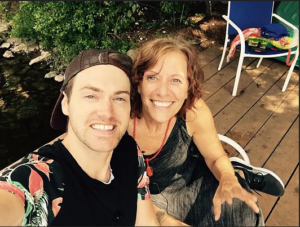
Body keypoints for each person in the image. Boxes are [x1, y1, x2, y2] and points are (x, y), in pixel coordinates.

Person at [127, 36, 284, 226]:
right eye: (153, 77)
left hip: (190, 182)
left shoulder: (193, 111)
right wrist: (163, 219)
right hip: (138, 198)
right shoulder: (119, 121)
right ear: (139, 83)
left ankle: (237, 173)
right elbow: (115, 188)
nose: (162, 91)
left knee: (243, 215)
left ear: (188, 88)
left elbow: (215, 157)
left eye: (175, 80)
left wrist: (227, 177)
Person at [0, 49, 160, 226]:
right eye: (91, 96)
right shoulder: (37, 178)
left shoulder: (129, 150)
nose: (107, 112)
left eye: (119, 98)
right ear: (66, 104)